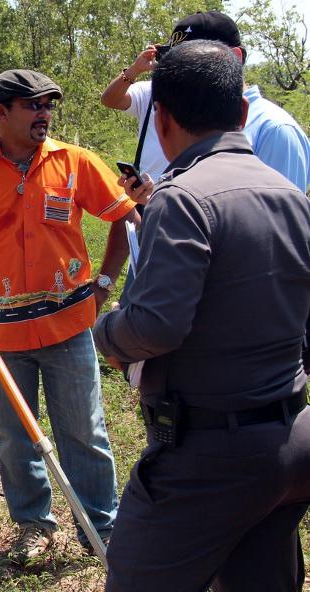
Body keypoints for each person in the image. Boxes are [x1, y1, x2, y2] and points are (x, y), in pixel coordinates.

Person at [94, 40, 310, 592]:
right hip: (290, 441)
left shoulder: (181, 197)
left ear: (160, 119)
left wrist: (107, 329)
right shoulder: (290, 194)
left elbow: (156, 327)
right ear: (241, 113)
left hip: (210, 454)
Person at [0, 69, 139, 562]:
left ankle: (101, 527)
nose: (44, 114)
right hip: (1, 334)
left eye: (49, 105)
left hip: (68, 325)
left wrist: (103, 286)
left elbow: (124, 216)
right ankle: (33, 526)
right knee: (12, 435)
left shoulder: (75, 162)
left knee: (84, 430)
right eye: (33, 105)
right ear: (1, 113)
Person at [102, 10, 310, 194]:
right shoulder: (195, 120)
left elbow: (280, 229)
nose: (178, 72)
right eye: (173, 62)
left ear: (234, 57)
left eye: (191, 62)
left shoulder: (275, 129)